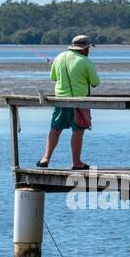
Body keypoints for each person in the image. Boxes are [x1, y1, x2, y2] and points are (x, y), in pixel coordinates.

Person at [38, 35, 100, 169]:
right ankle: (76, 162)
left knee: (55, 129)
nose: (89, 50)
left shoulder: (59, 58)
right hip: (79, 102)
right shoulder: (86, 61)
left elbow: (53, 77)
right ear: (84, 48)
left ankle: (45, 158)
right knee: (78, 131)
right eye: (88, 48)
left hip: (60, 100)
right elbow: (95, 83)